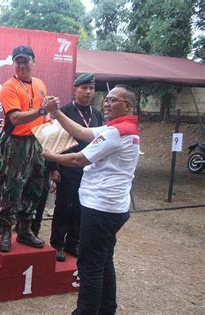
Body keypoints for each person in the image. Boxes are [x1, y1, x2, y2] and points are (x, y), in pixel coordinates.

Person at [43, 84, 140, 314]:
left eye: (113, 100)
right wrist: (56, 113)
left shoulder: (119, 132)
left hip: (101, 208)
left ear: (127, 105)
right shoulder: (118, 127)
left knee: (90, 266)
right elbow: (83, 133)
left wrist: (50, 156)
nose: (106, 103)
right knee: (103, 260)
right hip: (110, 207)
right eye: (106, 99)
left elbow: (79, 160)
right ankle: (107, 309)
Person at [0, 44, 59, 252]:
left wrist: (49, 116)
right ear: (13, 64)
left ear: (33, 61)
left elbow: (43, 115)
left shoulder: (40, 84)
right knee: (11, 189)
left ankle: (24, 230)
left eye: (26, 60)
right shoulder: (9, 87)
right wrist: (42, 109)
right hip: (15, 143)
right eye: (18, 61)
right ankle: (5, 231)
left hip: (37, 141)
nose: (22, 65)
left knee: (34, 187)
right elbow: (15, 118)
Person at [50, 73, 103, 262]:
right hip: (66, 168)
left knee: (81, 207)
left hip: (88, 171)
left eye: (91, 88)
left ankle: (74, 242)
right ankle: (57, 244)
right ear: (75, 89)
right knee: (64, 206)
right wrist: (53, 168)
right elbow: (52, 142)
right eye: (84, 88)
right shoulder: (63, 111)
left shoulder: (97, 115)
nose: (88, 92)